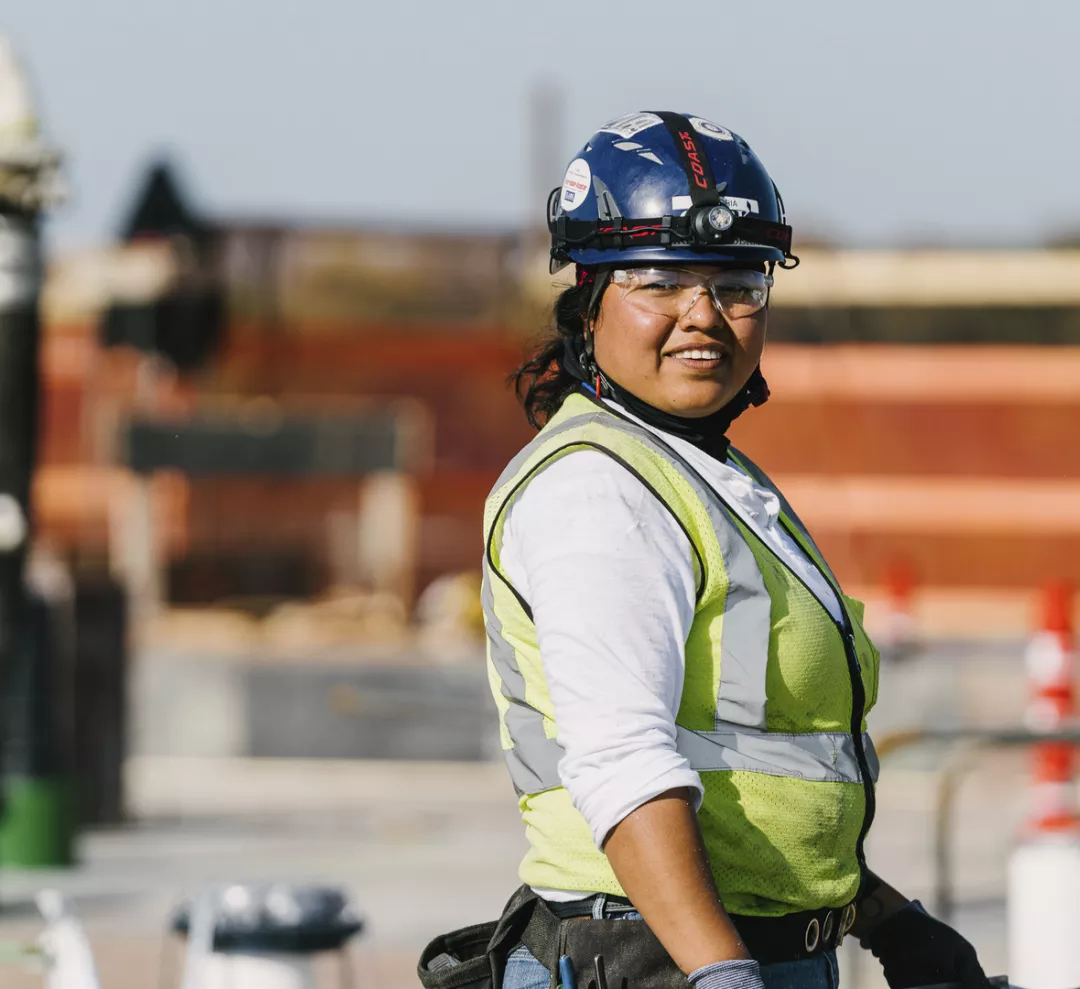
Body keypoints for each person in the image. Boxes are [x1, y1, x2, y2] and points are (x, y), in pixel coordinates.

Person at [480, 112, 991, 989]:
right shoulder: (599, 490)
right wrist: (722, 972)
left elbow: (755, 766)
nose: (701, 316)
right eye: (659, 281)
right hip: (655, 958)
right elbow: (624, 766)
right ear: (590, 301)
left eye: (735, 285)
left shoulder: (708, 474)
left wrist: (886, 917)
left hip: (742, 948)